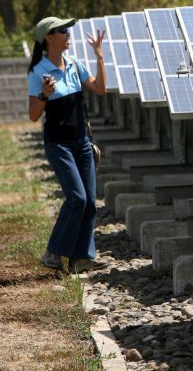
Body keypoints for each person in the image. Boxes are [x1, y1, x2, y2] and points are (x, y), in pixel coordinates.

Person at [27, 16, 107, 273]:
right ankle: (53, 252)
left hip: (82, 142)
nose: (68, 34)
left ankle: (81, 257)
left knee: (91, 202)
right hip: (58, 144)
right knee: (77, 198)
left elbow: (100, 88)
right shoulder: (38, 72)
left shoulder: (74, 63)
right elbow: (33, 114)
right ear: (49, 38)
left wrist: (99, 55)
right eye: (63, 30)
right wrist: (44, 95)